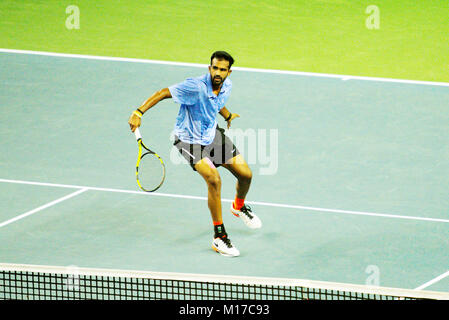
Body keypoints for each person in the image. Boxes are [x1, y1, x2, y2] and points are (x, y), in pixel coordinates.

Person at [128, 51, 261, 257]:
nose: (217, 72)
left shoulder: (226, 86)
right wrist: (138, 112)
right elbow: (164, 92)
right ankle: (219, 237)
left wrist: (227, 115)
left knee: (246, 175)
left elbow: (215, 102)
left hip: (211, 135)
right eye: (214, 68)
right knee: (214, 180)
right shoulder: (195, 86)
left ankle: (238, 206)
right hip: (189, 141)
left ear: (229, 72)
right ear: (209, 68)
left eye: (222, 69)